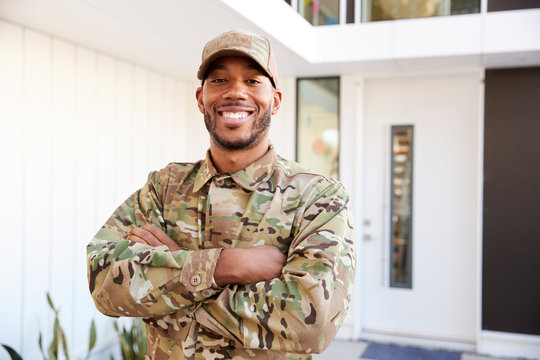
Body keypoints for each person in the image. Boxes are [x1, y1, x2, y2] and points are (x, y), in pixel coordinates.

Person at [87, 29, 355, 360]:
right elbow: (104, 285)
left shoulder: (317, 196)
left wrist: (172, 278)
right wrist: (227, 266)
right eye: (219, 80)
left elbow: (311, 324)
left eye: (253, 80)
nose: (235, 92)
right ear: (201, 98)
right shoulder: (164, 187)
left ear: (276, 100)